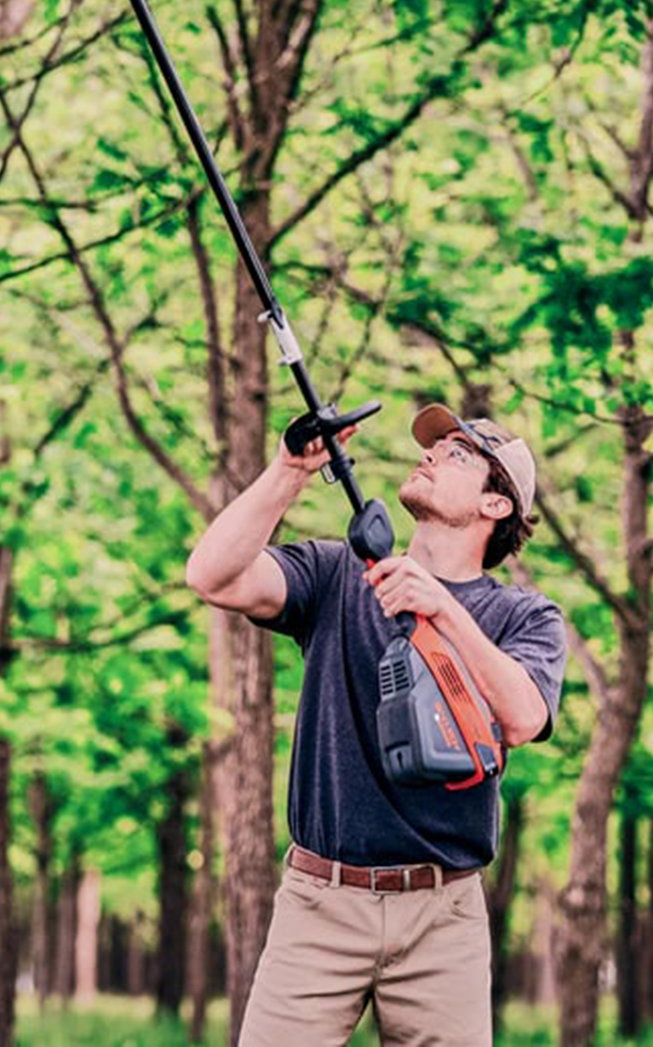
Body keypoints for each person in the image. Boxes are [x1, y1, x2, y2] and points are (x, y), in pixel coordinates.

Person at [185, 402, 567, 1047]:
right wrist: (289, 470)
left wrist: (441, 608)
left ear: (495, 506)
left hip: (444, 914)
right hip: (319, 901)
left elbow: (524, 717)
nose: (429, 455)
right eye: (433, 447)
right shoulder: (335, 574)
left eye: (456, 455)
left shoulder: (524, 617)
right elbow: (211, 576)